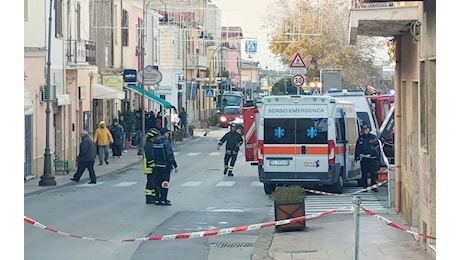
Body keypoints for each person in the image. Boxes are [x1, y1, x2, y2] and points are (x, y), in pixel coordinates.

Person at [152, 127, 178, 206]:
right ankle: (164, 199)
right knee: (165, 182)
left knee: (157, 183)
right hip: (165, 165)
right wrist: (174, 165)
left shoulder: (155, 142)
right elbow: (170, 154)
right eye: (167, 133)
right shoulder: (166, 142)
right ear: (164, 133)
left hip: (156, 165)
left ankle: (157, 199)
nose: (168, 134)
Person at [355, 125, 380, 192]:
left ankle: (373, 186)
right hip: (364, 158)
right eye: (364, 129)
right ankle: (365, 187)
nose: (365, 130)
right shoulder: (361, 138)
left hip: (372, 158)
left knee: (373, 173)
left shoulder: (373, 138)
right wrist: (357, 156)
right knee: (364, 173)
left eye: (367, 129)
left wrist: (376, 156)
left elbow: (377, 147)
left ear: (369, 129)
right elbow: (358, 148)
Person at [143, 128, 160, 204]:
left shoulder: (150, 144)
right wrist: (153, 166)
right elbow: (150, 157)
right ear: (152, 137)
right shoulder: (148, 145)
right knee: (150, 182)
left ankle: (153, 196)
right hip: (149, 167)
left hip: (151, 166)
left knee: (153, 182)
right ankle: (149, 198)